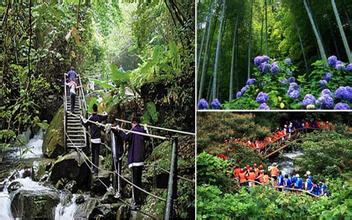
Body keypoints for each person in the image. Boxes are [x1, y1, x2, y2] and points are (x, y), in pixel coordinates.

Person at [119, 117, 148, 209]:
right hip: (141, 160)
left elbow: (125, 137)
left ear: (133, 123)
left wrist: (118, 130)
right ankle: (139, 200)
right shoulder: (142, 130)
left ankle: (136, 202)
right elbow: (147, 137)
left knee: (135, 182)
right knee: (138, 181)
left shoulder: (133, 130)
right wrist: (146, 128)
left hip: (134, 161)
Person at [81, 104, 108, 176]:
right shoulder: (99, 117)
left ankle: (94, 169)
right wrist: (104, 111)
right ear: (97, 109)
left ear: (93, 109)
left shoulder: (91, 117)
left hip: (93, 139)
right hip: (98, 139)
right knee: (96, 154)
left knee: (93, 154)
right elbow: (106, 115)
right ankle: (95, 171)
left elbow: (85, 123)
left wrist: (81, 118)